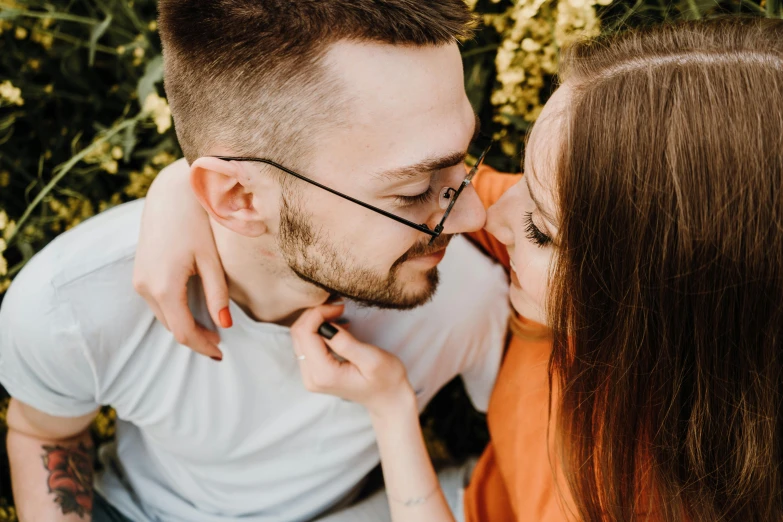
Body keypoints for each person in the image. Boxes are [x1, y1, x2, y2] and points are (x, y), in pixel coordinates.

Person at [135, 16, 783, 522]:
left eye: (538, 229)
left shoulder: (622, 492)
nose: (482, 217)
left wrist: (391, 409)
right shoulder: (587, 255)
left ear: (657, 289)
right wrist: (196, 194)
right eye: (522, 183)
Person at [0, 2, 513, 521]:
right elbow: (45, 433)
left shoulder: (466, 296)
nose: (472, 217)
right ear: (238, 197)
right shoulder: (72, 304)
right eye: (414, 189)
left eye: (464, 158)